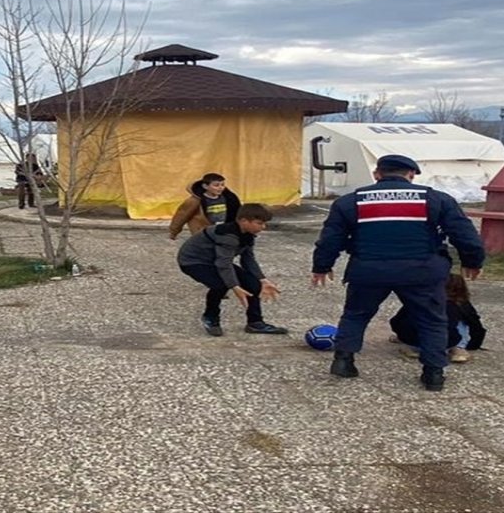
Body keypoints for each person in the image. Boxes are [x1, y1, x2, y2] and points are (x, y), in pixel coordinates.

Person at [312, 154, 485, 392]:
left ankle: (343, 361)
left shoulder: (350, 202)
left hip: (369, 270)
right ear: (411, 175)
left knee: (356, 315)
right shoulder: (435, 199)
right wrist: (473, 261)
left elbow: (330, 239)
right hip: (422, 271)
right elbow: (465, 235)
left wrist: (322, 266)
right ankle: (433, 374)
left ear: (377, 174)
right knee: (432, 320)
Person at [177, 203, 287, 337]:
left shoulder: (248, 234)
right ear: (243, 221)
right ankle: (210, 318)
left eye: (264, 223)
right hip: (193, 262)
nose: (263, 227)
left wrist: (262, 280)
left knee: (252, 284)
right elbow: (223, 264)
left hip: (215, 260)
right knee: (220, 285)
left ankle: (255, 323)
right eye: (259, 223)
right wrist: (235, 286)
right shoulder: (228, 236)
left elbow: (248, 259)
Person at [390, 272, 486, 363]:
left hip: (416, 340)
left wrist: (403, 336)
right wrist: (474, 345)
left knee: (415, 316)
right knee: (462, 320)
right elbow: (476, 326)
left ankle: (412, 347)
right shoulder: (461, 304)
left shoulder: (420, 300)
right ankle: (458, 349)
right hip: (447, 342)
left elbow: (396, 321)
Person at [169, 173, 243, 240]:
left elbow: (237, 212)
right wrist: (174, 231)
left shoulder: (229, 198)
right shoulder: (195, 201)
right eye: (216, 185)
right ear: (205, 186)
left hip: (222, 230)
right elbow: (182, 215)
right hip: (203, 232)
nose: (220, 187)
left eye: (222, 185)